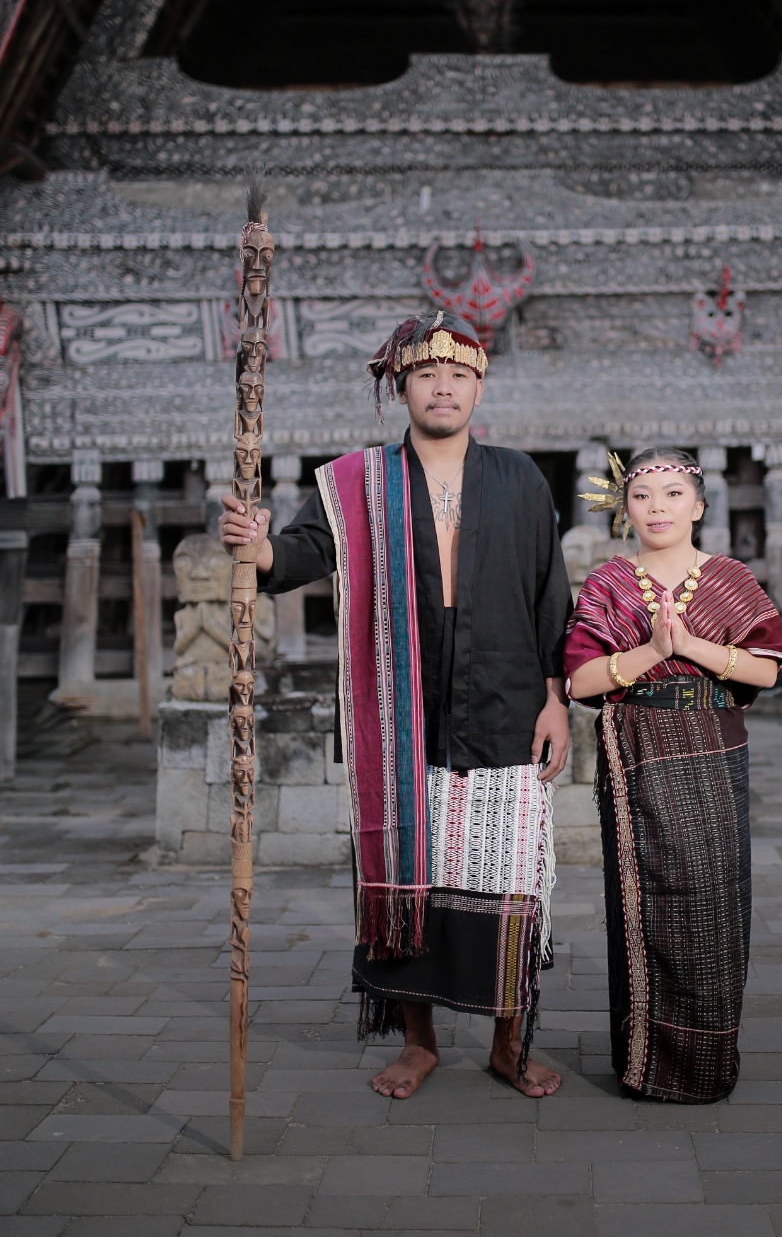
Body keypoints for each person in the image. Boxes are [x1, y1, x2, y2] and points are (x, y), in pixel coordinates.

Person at [219, 309, 572, 1100]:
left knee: (510, 879)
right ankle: (419, 1042)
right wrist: (258, 544)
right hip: (398, 716)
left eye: (459, 375)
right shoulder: (359, 482)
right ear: (400, 388)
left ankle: (508, 1044)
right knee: (407, 878)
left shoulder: (519, 477)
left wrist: (556, 698)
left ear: (479, 388)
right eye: (427, 375)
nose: (444, 387)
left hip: (508, 705)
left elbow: (551, 592)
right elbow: (301, 553)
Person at [564, 448, 782, 1103]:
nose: (657, 508)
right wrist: (651, 651)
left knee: (715, 903)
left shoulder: (729, 578)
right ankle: (645, 1064)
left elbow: (767, 670)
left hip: (714, 746)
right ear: (625, 509)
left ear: (697, 506)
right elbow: (581, 680)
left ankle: (706, 1064)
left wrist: (689, 646)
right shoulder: (609, 583)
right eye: (642, 496)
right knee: (643, 902)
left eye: (672, 494)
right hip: (636, 747)